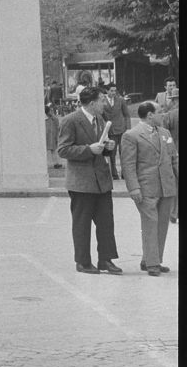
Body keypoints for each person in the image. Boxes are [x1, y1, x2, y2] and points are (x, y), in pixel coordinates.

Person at [57, 86, 121, 275]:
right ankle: (83, 262)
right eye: (101, 100)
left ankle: (106, 260)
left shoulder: (100, 119)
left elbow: (102, 147)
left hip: (102, 181)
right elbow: (63, 149)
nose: (104, 103)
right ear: (92, 103)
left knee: (106, 222)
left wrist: (108, 147)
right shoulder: (70, 120)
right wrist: (88, 150)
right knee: (82, 224)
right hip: (81, 183)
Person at [120, 101, 177, 276]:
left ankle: (151, 259)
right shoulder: (131, 135)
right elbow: (128, 165)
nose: (163, 114)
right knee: (150, 225)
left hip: (166, 186)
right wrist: (133, 188)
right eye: (160, 111)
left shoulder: (165, 133)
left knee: (161, 226)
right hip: (146, 188)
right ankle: (153, 264)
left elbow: (174, 158)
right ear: (150, 115)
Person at [102, 84, 131, 179]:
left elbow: (127, 115)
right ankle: (114, 174)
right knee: (112, 153)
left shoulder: (121, 100)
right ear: (106, 91)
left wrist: (128, 129)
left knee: (124, 152)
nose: (114, 93)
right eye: (111, 91)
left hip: (122, 130)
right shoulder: (102, 101)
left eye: (115, 90)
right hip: (110, 131)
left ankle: (124, 173)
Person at [45, 100, 61, 169]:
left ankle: (56, 163)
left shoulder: (53, 118)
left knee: (53, 150)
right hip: (47, 137)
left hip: (52, 136)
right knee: (49, 151)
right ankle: (45, 164)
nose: (51, 112)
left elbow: (57, 126)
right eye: (50, 111)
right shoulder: (45, 119)